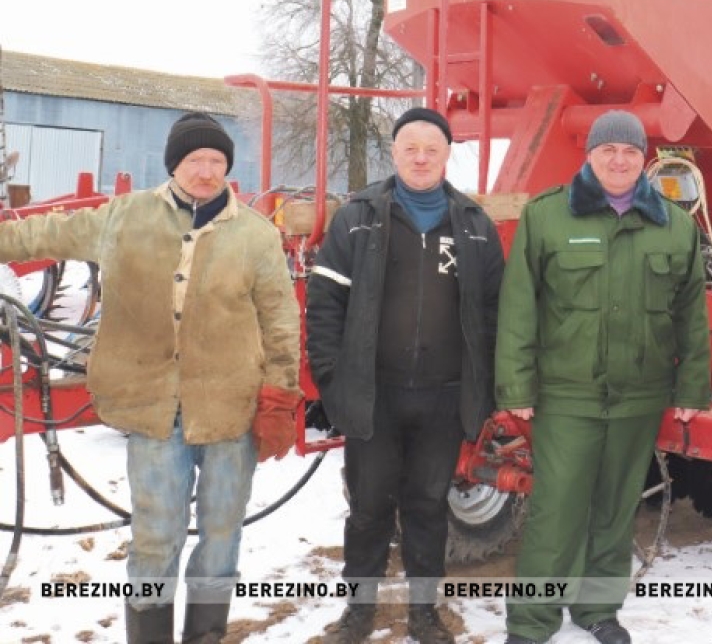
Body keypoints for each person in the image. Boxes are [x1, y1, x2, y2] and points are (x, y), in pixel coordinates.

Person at [0, 112, 301, 644]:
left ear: (227, 167)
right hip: (154, 410)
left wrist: (279, 397)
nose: (206, 172)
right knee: (156, 539)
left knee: (221, 537)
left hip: (230, 409)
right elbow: (46, 232)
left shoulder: (255, 236)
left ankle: (205, 636)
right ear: (173, 165)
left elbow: (280, 320)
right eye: (194, 161)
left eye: (216, 161)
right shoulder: (125, 217)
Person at [494, 109, 711, 644]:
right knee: (556, 510)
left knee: (616, 508)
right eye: (608, 150)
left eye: (631, 152)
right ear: (589, 155)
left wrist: (691, 389)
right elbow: (518, 307)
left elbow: (692, 315)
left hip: (640, 395)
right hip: (568, 394)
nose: (619, 160)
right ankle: (531, 621)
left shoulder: (675, 227)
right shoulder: (547, 217)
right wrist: (516, 387)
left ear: (645, 160)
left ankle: (597, 609)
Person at [305, 107, 505, 644]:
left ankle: (423, 612)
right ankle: (358, 612)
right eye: (410, 148)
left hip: (444, 399)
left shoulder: (474, 226)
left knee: (428, 505)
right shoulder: (358, 218)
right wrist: (333, 381)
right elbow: (324, 307)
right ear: (393, 154)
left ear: (446, 156)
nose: (421, 158)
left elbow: (493, 314)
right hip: (375, 398)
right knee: (369, 508)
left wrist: (481, 392)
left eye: (432, 149)